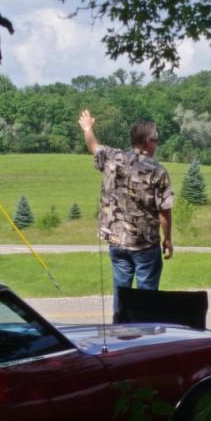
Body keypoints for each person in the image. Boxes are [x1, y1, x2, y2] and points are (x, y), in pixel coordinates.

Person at [77, 109, 174, 320]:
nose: (157, 144)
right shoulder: (158, 170)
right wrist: (168, 239)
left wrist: (87, 128)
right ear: (148, 141)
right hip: (145, 245)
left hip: (116, 242)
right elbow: (164, 210)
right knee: (146, 296)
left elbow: (93, 146)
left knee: (121, 293)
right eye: (156, 140)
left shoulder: (114, 158)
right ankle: (145, 338)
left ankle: (119, 333)